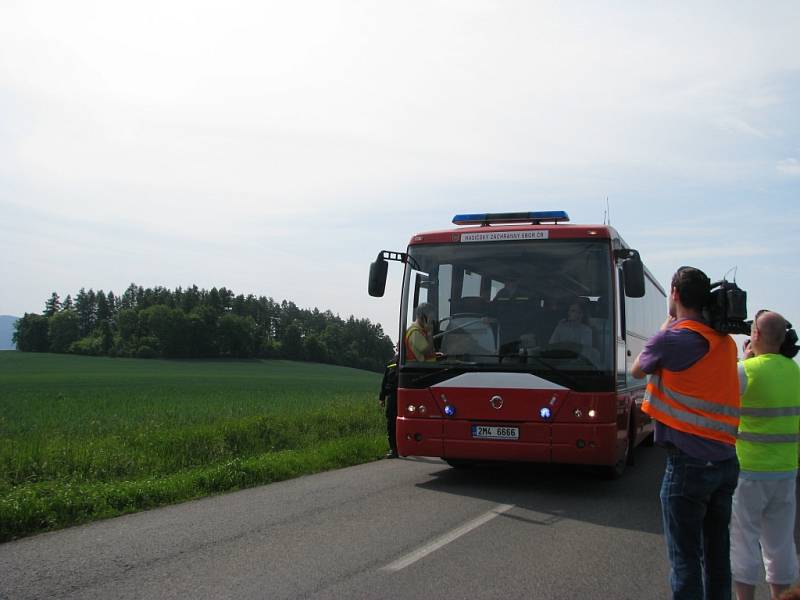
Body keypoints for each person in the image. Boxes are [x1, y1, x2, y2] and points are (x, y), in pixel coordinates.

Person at [631, 266, 740, 600]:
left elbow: (638, 368)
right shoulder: (724, 344)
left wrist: (670, 321)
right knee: (717, 556)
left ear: (674, 294)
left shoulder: (673, 338)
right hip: (725, 461)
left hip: (688, 466)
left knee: (685, 560)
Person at [730, 310, 800, 600]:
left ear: (754, 335)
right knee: (781, 543)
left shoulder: (746, 370)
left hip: (748, 468)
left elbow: (722, 402)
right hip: (786, 470)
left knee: (744, 540)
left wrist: (744, 361)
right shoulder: (795, 371)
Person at [379, 353, 399, 459]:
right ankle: (393, 449)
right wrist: (382, 398)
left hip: (405, 395)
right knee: (391, 423)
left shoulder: (410, 362)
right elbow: (385, 380)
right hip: (392, 396)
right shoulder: (391, 363)